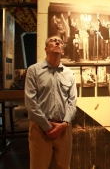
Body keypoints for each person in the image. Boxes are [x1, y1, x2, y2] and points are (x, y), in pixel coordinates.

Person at [24, 36, 77, 168]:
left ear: (63, 51)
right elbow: (31, 102)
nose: (57, 42)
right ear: (46, 49)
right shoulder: (34, 70)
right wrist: (48, 127)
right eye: (53, 40)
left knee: (63, 166)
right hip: (40, 129)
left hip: (64, 130)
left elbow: (72, 101)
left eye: (60, 42)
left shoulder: (69, 73)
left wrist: (64, 124)